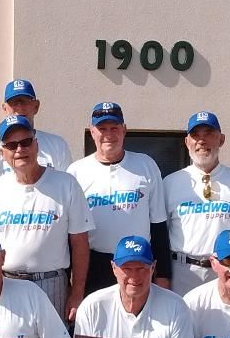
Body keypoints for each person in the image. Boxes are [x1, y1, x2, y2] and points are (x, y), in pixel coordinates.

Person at [0, 115, 94, 321]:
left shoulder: (66, 184)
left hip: (51, 282)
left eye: (26, 142)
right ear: (2, 153)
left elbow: (80, 242)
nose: (20, 149)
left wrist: (76, 293)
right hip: (6, 283)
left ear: (36, 145)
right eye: (12, 145)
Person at [67, 103, 171, 293]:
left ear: (124, 130)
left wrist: (163, 275)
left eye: (114, 128)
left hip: (138, 263)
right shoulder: (76, 172)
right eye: (102, 128)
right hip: (94, 266)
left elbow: (158, 226)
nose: (109, 134)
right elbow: (70, 235)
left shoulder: (146, 165)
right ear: (92, 132)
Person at [164, 111, 230, 296]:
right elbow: (162, 231)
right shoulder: (170, 183)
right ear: (187, 142)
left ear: (221, 139)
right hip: (182, 271)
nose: (201, 141)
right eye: (195, 135)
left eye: (208, 134)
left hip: (225, 270)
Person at [0, 78, 72, 208]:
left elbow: (69, 193)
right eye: (14, 103)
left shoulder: (57, 145)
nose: (19, 108)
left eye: (25, 101)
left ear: (36, 106)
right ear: (5, 108)